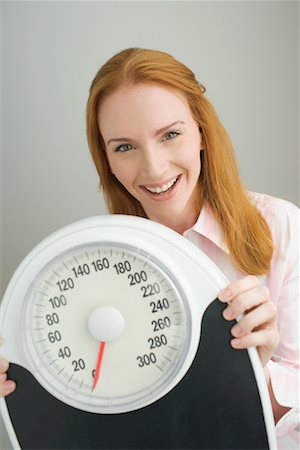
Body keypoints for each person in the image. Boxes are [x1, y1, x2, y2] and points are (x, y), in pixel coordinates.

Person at [1, 48, 299, 446]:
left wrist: (250, 371)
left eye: (170, 135)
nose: (154, 168)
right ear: (105, 158)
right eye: (125, 147)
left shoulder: (279, 226)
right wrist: (27, 377)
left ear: (202, 132)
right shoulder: (86, 269)